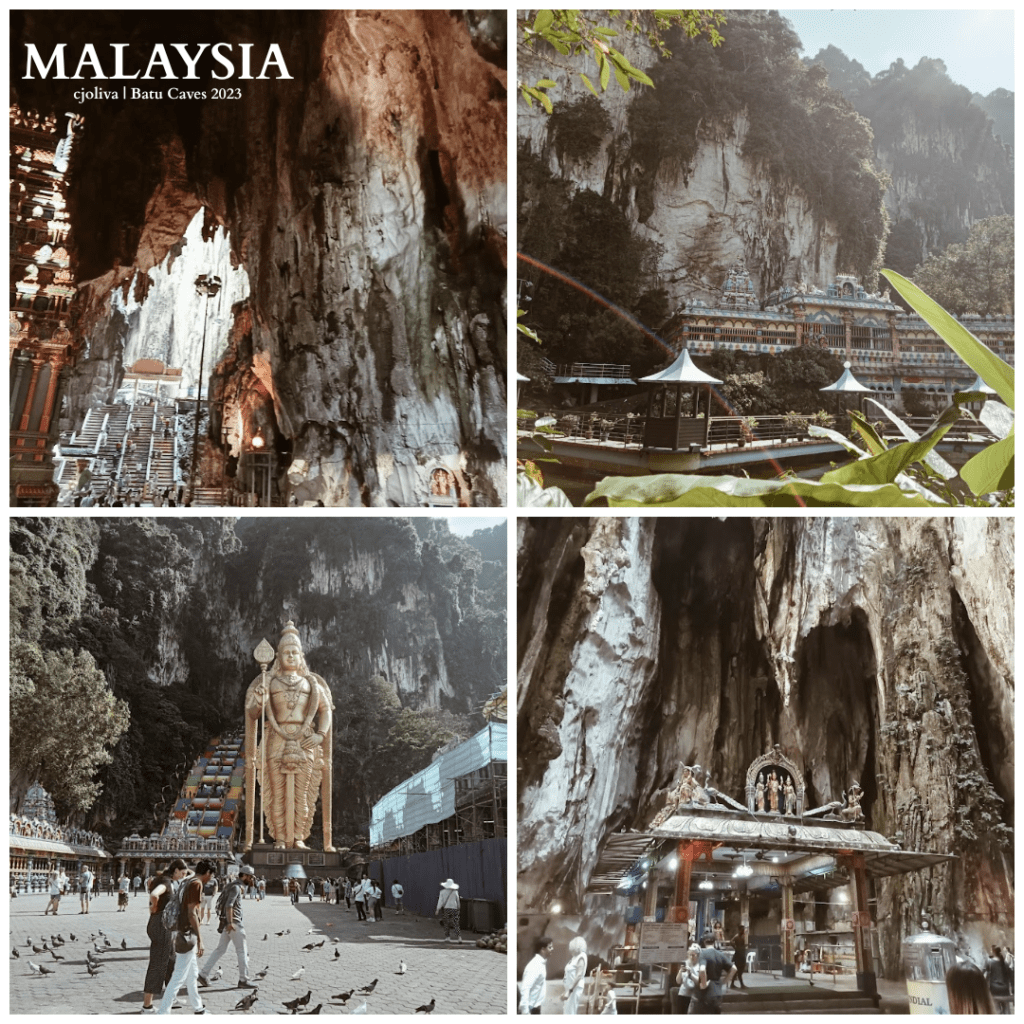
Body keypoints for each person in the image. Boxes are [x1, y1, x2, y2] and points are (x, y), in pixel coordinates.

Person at [243, 623, 335, 851]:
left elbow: (326, 711)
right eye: (286, 652)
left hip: (305, 740)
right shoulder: (269, 682)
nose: (291, 656)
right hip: (276, 738)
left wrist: (320, 735)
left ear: (301, 655)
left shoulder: (311, 683)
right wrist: (260, 699)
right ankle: (281, 839)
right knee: (276, 793)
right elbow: (253, 713)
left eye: (295, 652)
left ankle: (300, 837)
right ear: (279, 657)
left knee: (303, 795)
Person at [157, 860, 213, 1015]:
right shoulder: (197, 884)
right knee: (178, 976)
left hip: (182, 932)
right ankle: (163, 1011)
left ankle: (198, 1008)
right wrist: (201, 939)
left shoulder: (188, 880)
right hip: (187, 934)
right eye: (211, 875)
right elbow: (192, 912)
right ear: (208, 873)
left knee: (192, 974)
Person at [198, 865, 255, 991]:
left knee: (220, 950)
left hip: (228, 923)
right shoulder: (236, 887)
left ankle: (203, 974)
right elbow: (229, 905)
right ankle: (243, 979)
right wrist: (230, 923)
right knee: (242, 951)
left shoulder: (232, 885)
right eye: (250, 877)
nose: (251, 879)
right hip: (234, 923)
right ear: (244, 875)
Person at [141, 859, 187, 1013]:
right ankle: (147, 1006)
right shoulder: (166, 882)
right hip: (161, 926)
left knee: (171, 961)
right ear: (174, 870)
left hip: (162, 924)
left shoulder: (164, 879)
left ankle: (170, 997)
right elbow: (154, 895)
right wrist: (154, 908)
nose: (183, 875)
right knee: (158, 963)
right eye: (182, 872)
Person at [689, 930, 736, 1014]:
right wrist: (724, 981)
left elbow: (702, 969)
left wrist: (703, 984)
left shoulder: (704, 954)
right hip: (718, 993)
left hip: (706, 995)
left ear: (704, 942)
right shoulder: (720, 954)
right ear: (714, 942)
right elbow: (734, 969)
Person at [519, 936, 553, 1014]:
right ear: (542, 949)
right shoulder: (535, 966)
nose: (552, 949)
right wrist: (525, 1011)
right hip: (530, 1009)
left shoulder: (541, 963)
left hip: (535, 1007)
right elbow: (525, 988)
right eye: (550, 947)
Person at [562, 936, 588, 1014]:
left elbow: (579, 975)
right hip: (570, 988)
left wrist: (569, 990)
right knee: (567, 1010)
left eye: (571, 947)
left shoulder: (581, 956)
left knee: (570, 1011)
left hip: (574, 988)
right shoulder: (575, 957)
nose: (570, 950)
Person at [985, 946, 1013, 1013]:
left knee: (997, 1011)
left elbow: (987, 976)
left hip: (994, 992)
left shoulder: (989, 962)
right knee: (1007, 1011)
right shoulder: (1005, 963)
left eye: (991, 950)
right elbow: (1010, 976)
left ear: (994, 951)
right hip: (1005, 991)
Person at [676, 944, 702, 1013]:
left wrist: (691, 974)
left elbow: (699, 982)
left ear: (698, 955)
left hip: (694, 996)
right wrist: (680, 971)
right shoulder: (685, 963)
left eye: (693, 955)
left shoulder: (700, 966)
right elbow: (678, 981)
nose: (691, 957)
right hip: (683, 994)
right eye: (690, 955)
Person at [435, 878, 462, 943]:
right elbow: (458, 901)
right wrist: (458, 907)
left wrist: (437, 909)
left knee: (446, 923)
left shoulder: (442, 892)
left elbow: (440, 902)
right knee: (456, 923)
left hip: (446, 909)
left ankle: (448, 937)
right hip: (454, 909)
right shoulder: (455, 892)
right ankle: (459, 938)